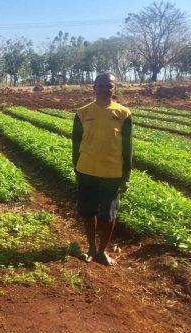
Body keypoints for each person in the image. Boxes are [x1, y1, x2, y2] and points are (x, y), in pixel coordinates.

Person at [72, 72, 132, 266]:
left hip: (111, 173)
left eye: (110, 86)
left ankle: (102, 251)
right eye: (102, 85)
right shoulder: (82, 113)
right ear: (94, 87)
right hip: (87, 170)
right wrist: (77, 169)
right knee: (88, 212)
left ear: (115, 89)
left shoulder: (123, 114)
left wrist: (126, 176)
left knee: (108, 215)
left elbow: (128, 147)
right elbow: (75, 144)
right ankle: (90, 247)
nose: (106, 89)